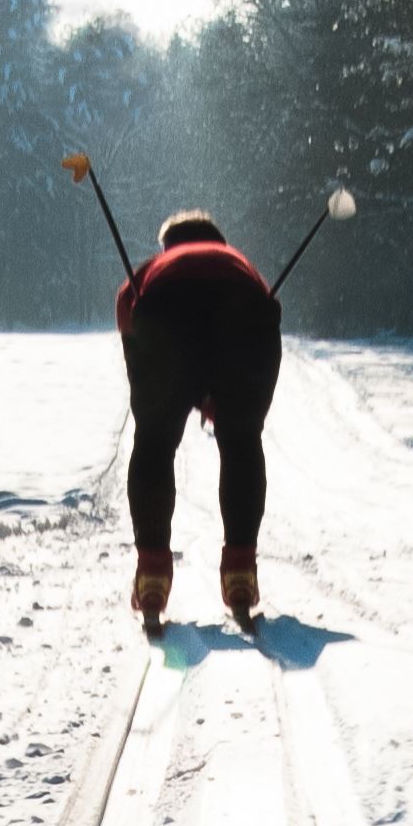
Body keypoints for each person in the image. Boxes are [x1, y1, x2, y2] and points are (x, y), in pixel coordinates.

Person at [116, 210, 282, 633]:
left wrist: (163, 388)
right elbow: (269, 310)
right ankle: (241, 575)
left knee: (153, 444)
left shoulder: (158, 266)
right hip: (248, 315)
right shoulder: (237, 262)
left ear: (169, 244)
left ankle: (152, 576)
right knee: (242, 441)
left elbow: (126, 309)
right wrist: (225, 402)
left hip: (162, 312)